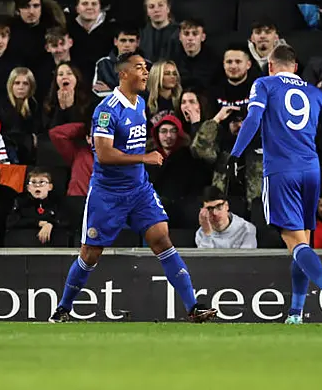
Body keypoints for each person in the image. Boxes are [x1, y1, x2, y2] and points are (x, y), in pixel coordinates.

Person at [48, 52, 216, 323]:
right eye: (139, 68)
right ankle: (62, 308)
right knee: (90, 254)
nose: (146, 72)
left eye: (146, 68)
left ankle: (193, 307)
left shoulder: (139, 104)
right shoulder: (106, 110)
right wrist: (144, 157)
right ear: (123, 74)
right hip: (107, 194)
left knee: (162, 238)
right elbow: (103, 154)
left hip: (138, 190)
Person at [227, 44, 322, 325]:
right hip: (311, 172)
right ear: (296, 67)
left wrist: (236, 154)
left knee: (294, 243)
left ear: (271, 66)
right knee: (303, 243)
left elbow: (252, 119)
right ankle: (295, 314)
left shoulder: (264, 84)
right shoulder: (316, 93)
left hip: (281, 171)